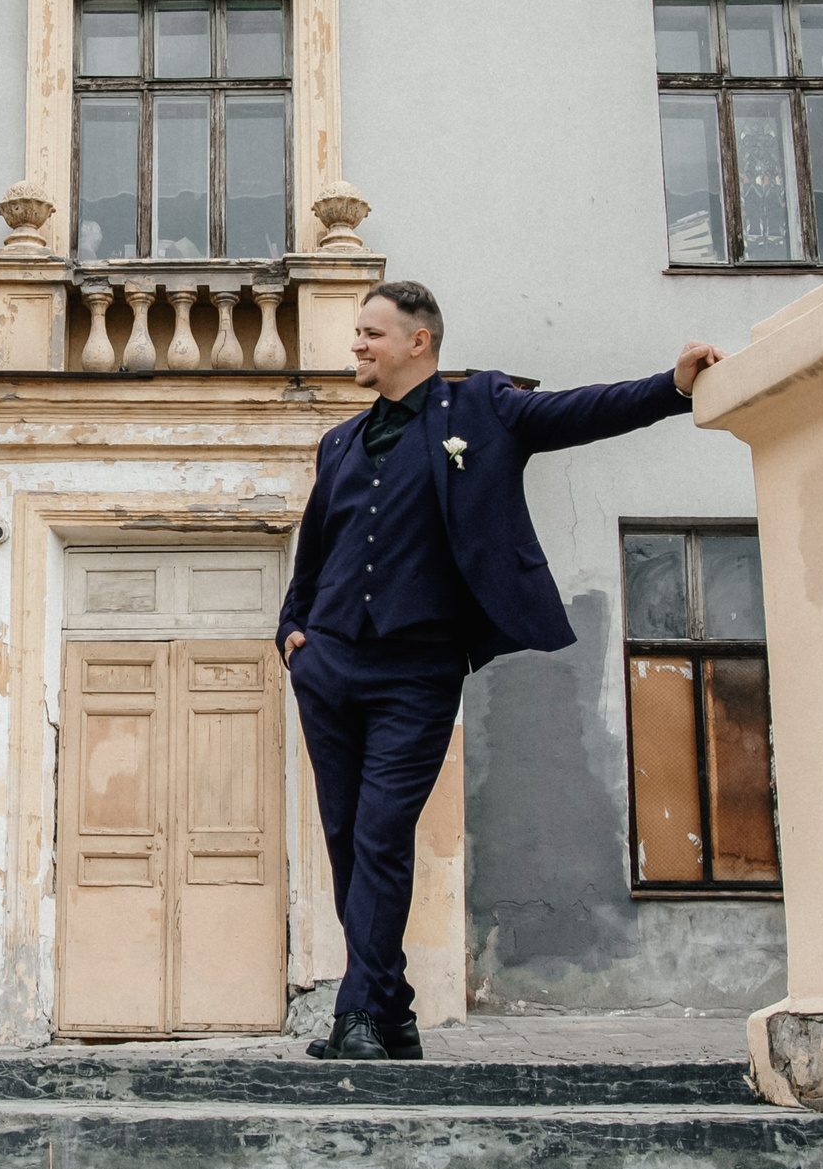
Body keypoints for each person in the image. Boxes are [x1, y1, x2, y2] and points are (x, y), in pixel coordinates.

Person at [278, 281, 723, 1062]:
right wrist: (293, 633)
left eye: (370, 333)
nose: (356, 345)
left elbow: (577, 413)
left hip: (417, 669)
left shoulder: (480, 409)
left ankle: (359, 1014)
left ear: (419, 342)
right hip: (332, 664)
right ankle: (395, 1007)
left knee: (383, 833)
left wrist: (671, 387)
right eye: (357, 332)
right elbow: (314, 549)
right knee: (348, 838)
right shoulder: (340, 442)